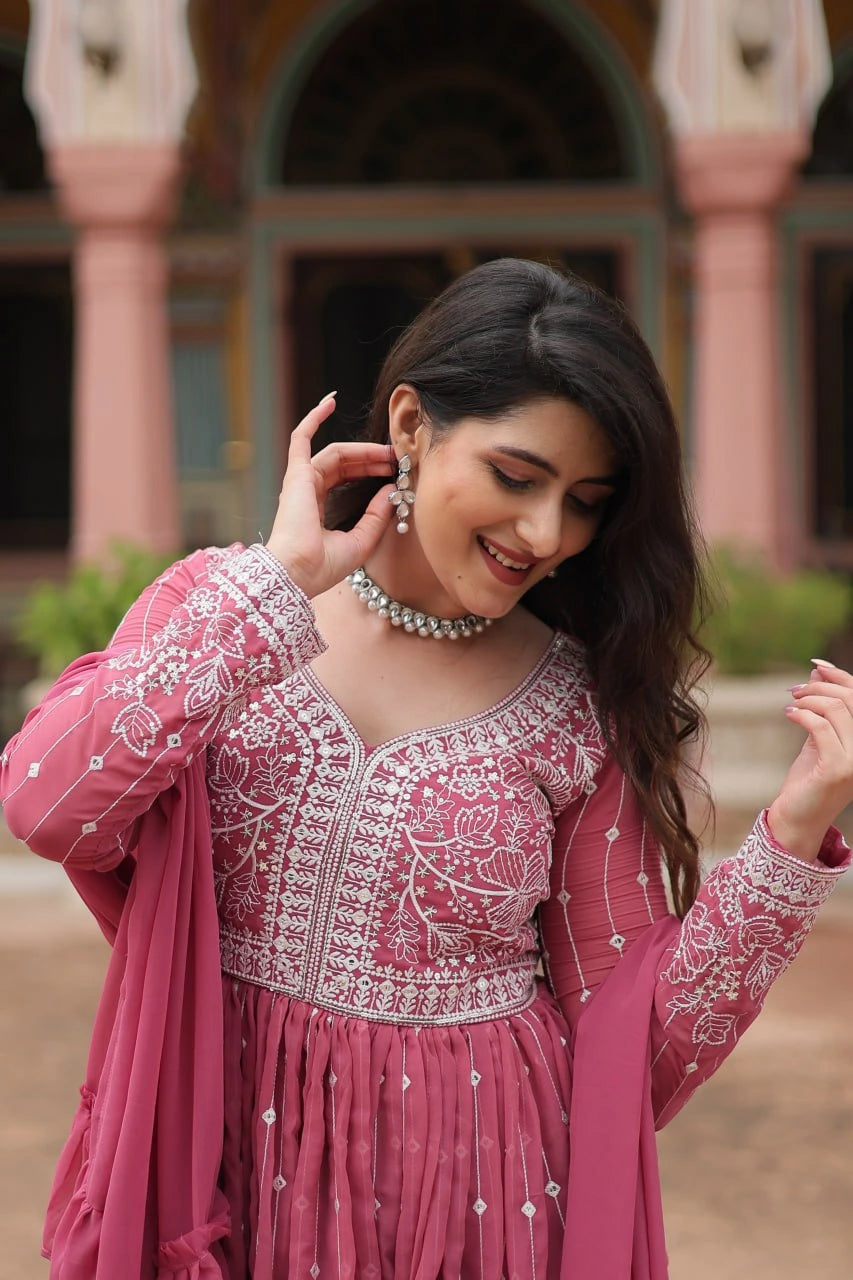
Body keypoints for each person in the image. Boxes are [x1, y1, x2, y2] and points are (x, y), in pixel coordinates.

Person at [2, 257, 851, 1280]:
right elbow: (47, 803)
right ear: (410, 425)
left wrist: (792, 834)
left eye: (584, 501)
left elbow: (638, 1057)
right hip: (221, 1179)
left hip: (475, 1214)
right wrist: (278, 586)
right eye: (515, 477)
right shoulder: (222, 609)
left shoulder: (575, 710)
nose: (545, 534)